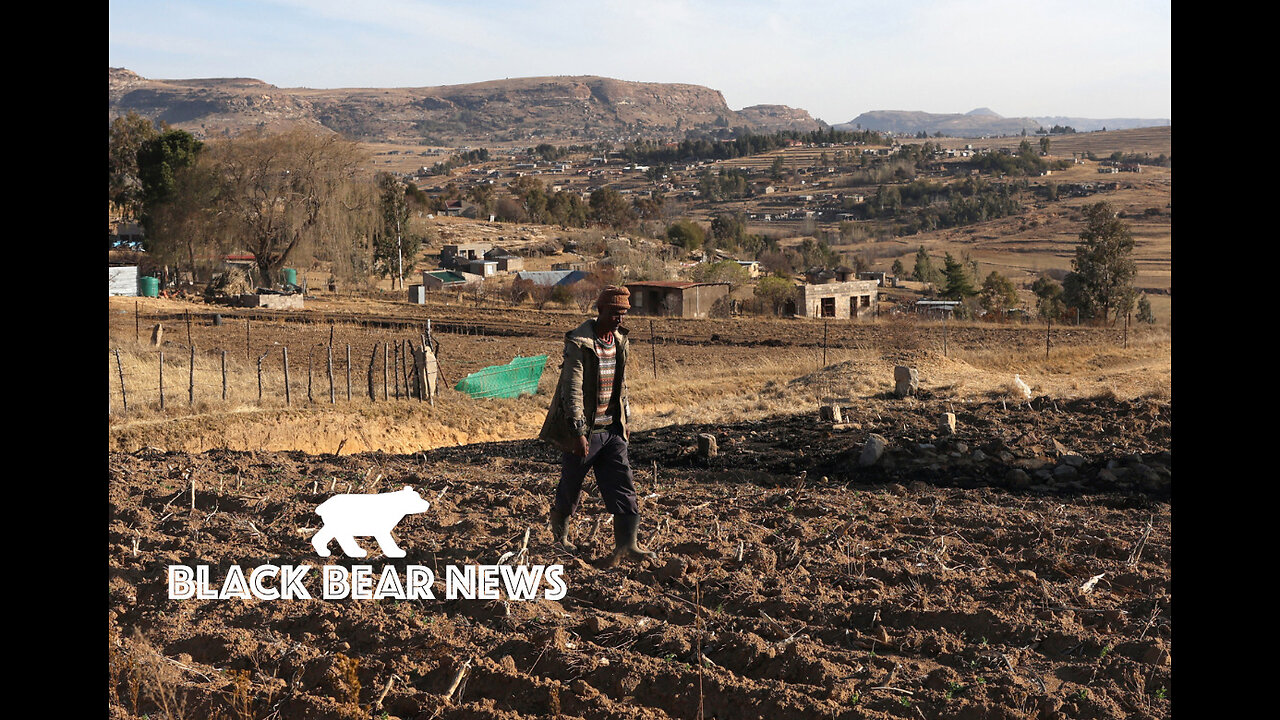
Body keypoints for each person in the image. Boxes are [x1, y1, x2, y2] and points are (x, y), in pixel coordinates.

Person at [539, 285, 657, 567]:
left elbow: (621, 385)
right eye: (615, 313)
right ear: (600, 310)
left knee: (623, 484)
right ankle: (561, 540)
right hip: (587, 431)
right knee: (571, 484)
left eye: (623, 314)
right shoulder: (580, 343)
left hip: (612, 430)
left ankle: (627, 545)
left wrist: (625, 420)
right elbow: (572, 389)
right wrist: (578, 431)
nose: (620, 319)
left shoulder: (619, 341)